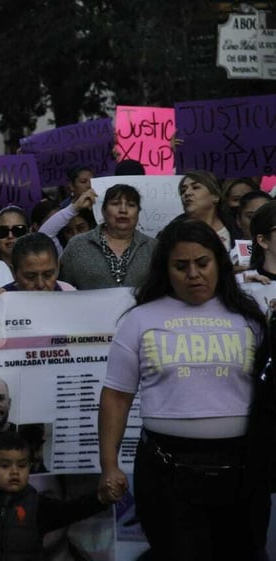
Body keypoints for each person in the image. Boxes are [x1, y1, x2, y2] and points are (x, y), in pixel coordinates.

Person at [97, 218, 271, 560]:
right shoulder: (139, 320)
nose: (194, 274)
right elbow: (116, 397)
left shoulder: (251, 316)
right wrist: (109, 465)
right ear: (166, 270)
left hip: (244, 471)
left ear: (219, 264)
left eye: (202, 263)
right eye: (181, 266)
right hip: (166, 473)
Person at [0, 432, 109, 561]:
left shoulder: (36, 503)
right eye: (5, 465)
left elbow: (72, 510)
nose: (15, 471)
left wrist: (101, 499)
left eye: (22, 465)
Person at [59, 184, 157, 290]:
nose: (123, 210)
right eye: (115, 204)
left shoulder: (153, 248)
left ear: (138, 212)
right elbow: (62, 289)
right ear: (103, 211)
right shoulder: (77, 245)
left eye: (131, 205)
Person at [178, 170, 238, 251]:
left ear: (216, 196)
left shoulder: (237, 228)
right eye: (183, 191)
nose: (187, 193)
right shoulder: (172, 233)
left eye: (195, 187)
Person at [2, 234, 75, 292]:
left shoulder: (68, 293)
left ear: (58, 268)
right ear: (13, 272)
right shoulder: (2, 298)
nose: (40, 285)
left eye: (48, 275)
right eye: (30, 276)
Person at [0, 206, 29, 275]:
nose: (10, 236)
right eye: (3, 231)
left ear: (29, 232)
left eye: (18, 230)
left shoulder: (39, 266)